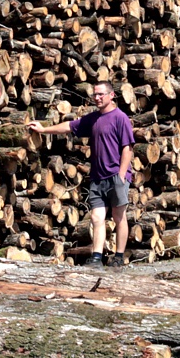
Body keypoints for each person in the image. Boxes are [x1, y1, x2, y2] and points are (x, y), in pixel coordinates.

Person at [32, 82, 135, 266]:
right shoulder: (93, 119)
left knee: (119, 217)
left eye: (101, 94)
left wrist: (120, 176)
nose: (97, 98)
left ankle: (119, 257)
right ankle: (96, 257)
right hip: (97, 177)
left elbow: (127, 148)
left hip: (116, 176)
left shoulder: (121, 118)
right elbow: (69, 126)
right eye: (95, 95)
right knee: (97, 217)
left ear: (111, 96)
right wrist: (43, 129)